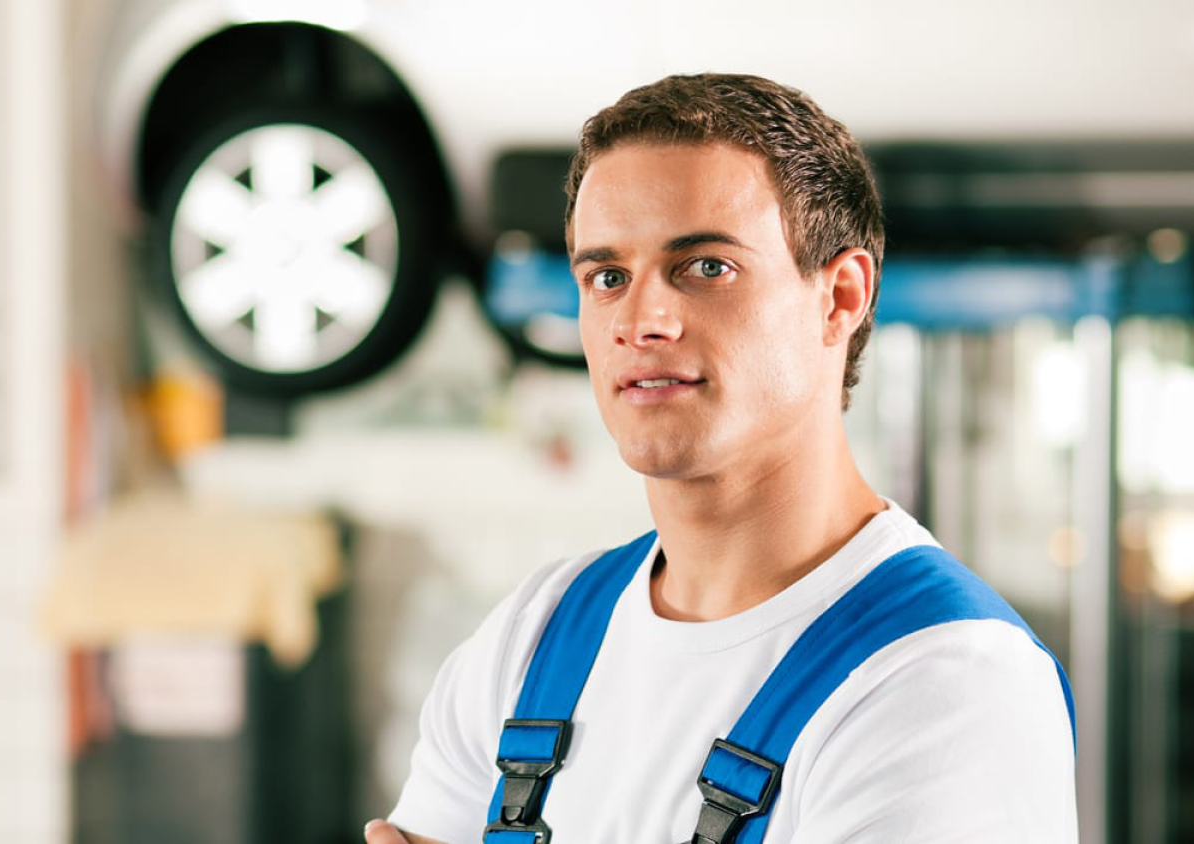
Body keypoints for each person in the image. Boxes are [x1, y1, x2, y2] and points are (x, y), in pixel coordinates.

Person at [362, 73, 1076, 843]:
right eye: (607, 277)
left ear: (840, 297)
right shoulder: (530, 640)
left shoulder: (945, 680)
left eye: (706, 267)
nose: (641, 321)